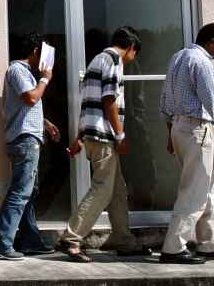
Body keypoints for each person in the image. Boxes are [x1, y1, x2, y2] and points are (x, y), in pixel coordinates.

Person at [56, 26, 150, 263]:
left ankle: (124, 240)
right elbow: (109, 100)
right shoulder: (113, 60)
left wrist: (79, 137)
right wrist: (120, 135)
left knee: (117, 191)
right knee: (102, 188)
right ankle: (72, 238)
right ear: (130, 47)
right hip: (104, 137)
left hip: (93, 134)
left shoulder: (97, 60)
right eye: (134, 55)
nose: (131, 61)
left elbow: (88, 103)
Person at [158, 23, 214, 264]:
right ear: (212, 41)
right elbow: (213, 102)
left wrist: (170, 133)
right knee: (195, 191)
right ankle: (174, 247)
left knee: (208, 189)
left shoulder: (177, 57)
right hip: (196, 129)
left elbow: (165, 99)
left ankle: (208, 244)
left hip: (179, 128)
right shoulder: (201, 61)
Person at [0, 32, 59, 260]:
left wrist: (44, 123)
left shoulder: (25, 72)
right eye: (45, 54)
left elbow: (25, 105)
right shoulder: (18, 70)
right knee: (20, 192)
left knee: (28, 191)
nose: (46, 61)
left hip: (28, 137)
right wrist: (46, 78)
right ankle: (1, 242)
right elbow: (30, 98)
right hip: (24, 140)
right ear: (36, 52)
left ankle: (30, 240)